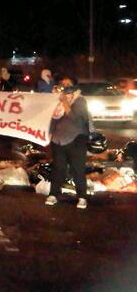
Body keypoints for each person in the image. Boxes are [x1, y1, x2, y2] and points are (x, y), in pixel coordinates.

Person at [46, 76, 91, 210]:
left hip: (76, 140)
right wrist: (48, 133)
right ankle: (54, 194)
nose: (64, 86)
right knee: (58, 169)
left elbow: (75, 118)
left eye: (67, 84)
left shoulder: (80, 100)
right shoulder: (57, 99)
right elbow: (52, 119)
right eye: (62, 84)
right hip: (58, 140)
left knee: (77, 169)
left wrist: (64, 102)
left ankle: (82, 197)